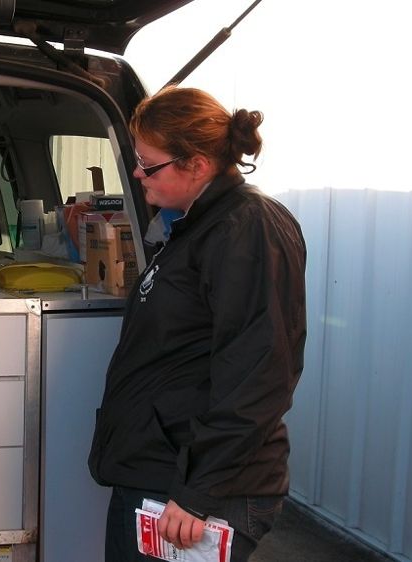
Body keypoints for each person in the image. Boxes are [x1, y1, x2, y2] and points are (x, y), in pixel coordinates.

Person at [88, 86, 307, 562]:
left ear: (197, 165)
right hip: (161, 473)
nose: (137, 173)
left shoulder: (246, 228)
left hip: (194, 491)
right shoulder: (195, 226)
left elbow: (259, 374)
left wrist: (197, 492)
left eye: (148, 164)